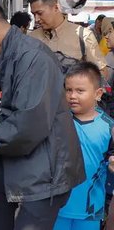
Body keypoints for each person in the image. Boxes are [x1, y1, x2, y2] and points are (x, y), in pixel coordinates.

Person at [0, 0, 86, 230]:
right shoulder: (7, 55)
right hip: (16, 172)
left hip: (40, 179)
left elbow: (26, 126)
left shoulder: (32, 57)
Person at [52, 62, 114, 230]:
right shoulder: (57, 121)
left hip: (90, 211)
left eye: (80, 91)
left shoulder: (109, 127)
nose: (72, 96)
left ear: (98, 93)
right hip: (56, 208)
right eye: (68, 90)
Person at [28, 0, 107, 74]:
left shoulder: (84, 36)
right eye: (33, 14)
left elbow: (102, 73)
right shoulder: (31, 38)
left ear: (56, 7)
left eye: (40, 13)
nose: (36, 19)